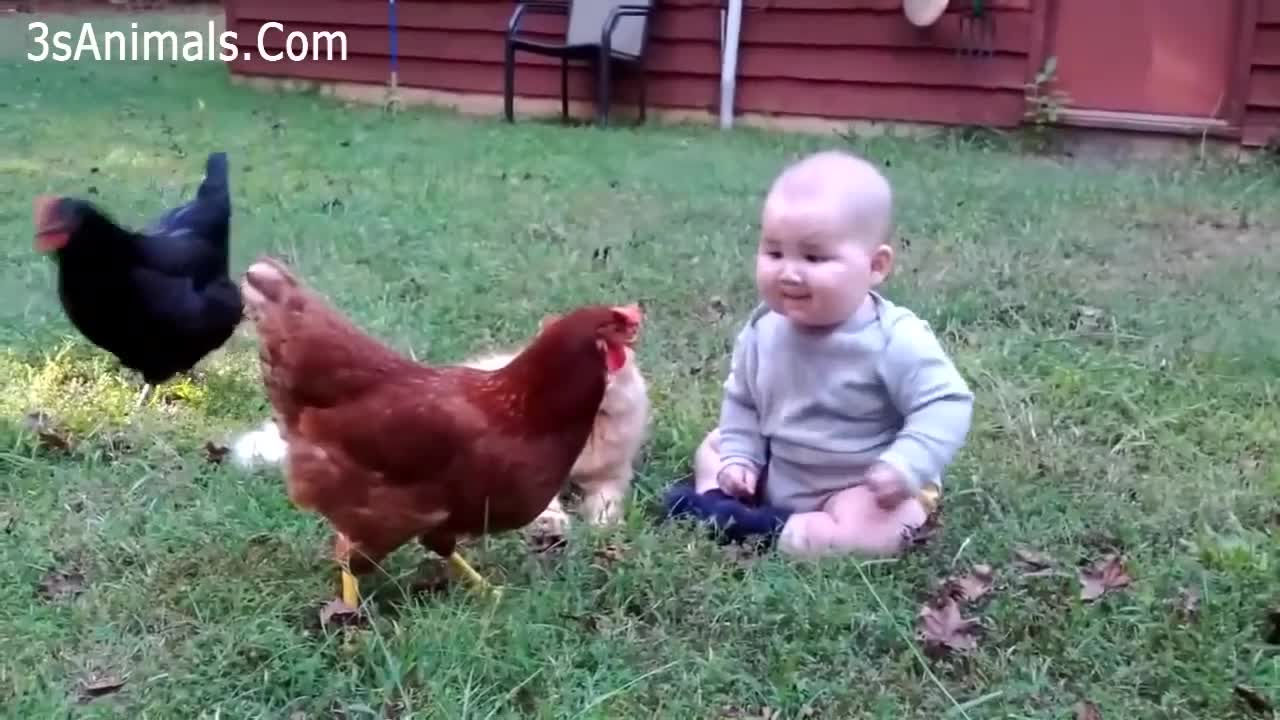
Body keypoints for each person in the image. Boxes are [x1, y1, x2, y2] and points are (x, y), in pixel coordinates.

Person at [662, 149, 974, 558]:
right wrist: (741, 457)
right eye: (774, 253)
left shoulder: (893, 339)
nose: (789, 272)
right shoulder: (762, 330)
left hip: (859, 485)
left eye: (814, 257)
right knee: (718, 445)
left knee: (884, 528)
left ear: (875, 265)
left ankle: (758, 526)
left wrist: (906, 464)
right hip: (781, 468)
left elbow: (946, 402)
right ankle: (729, 496)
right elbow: (743, 402)